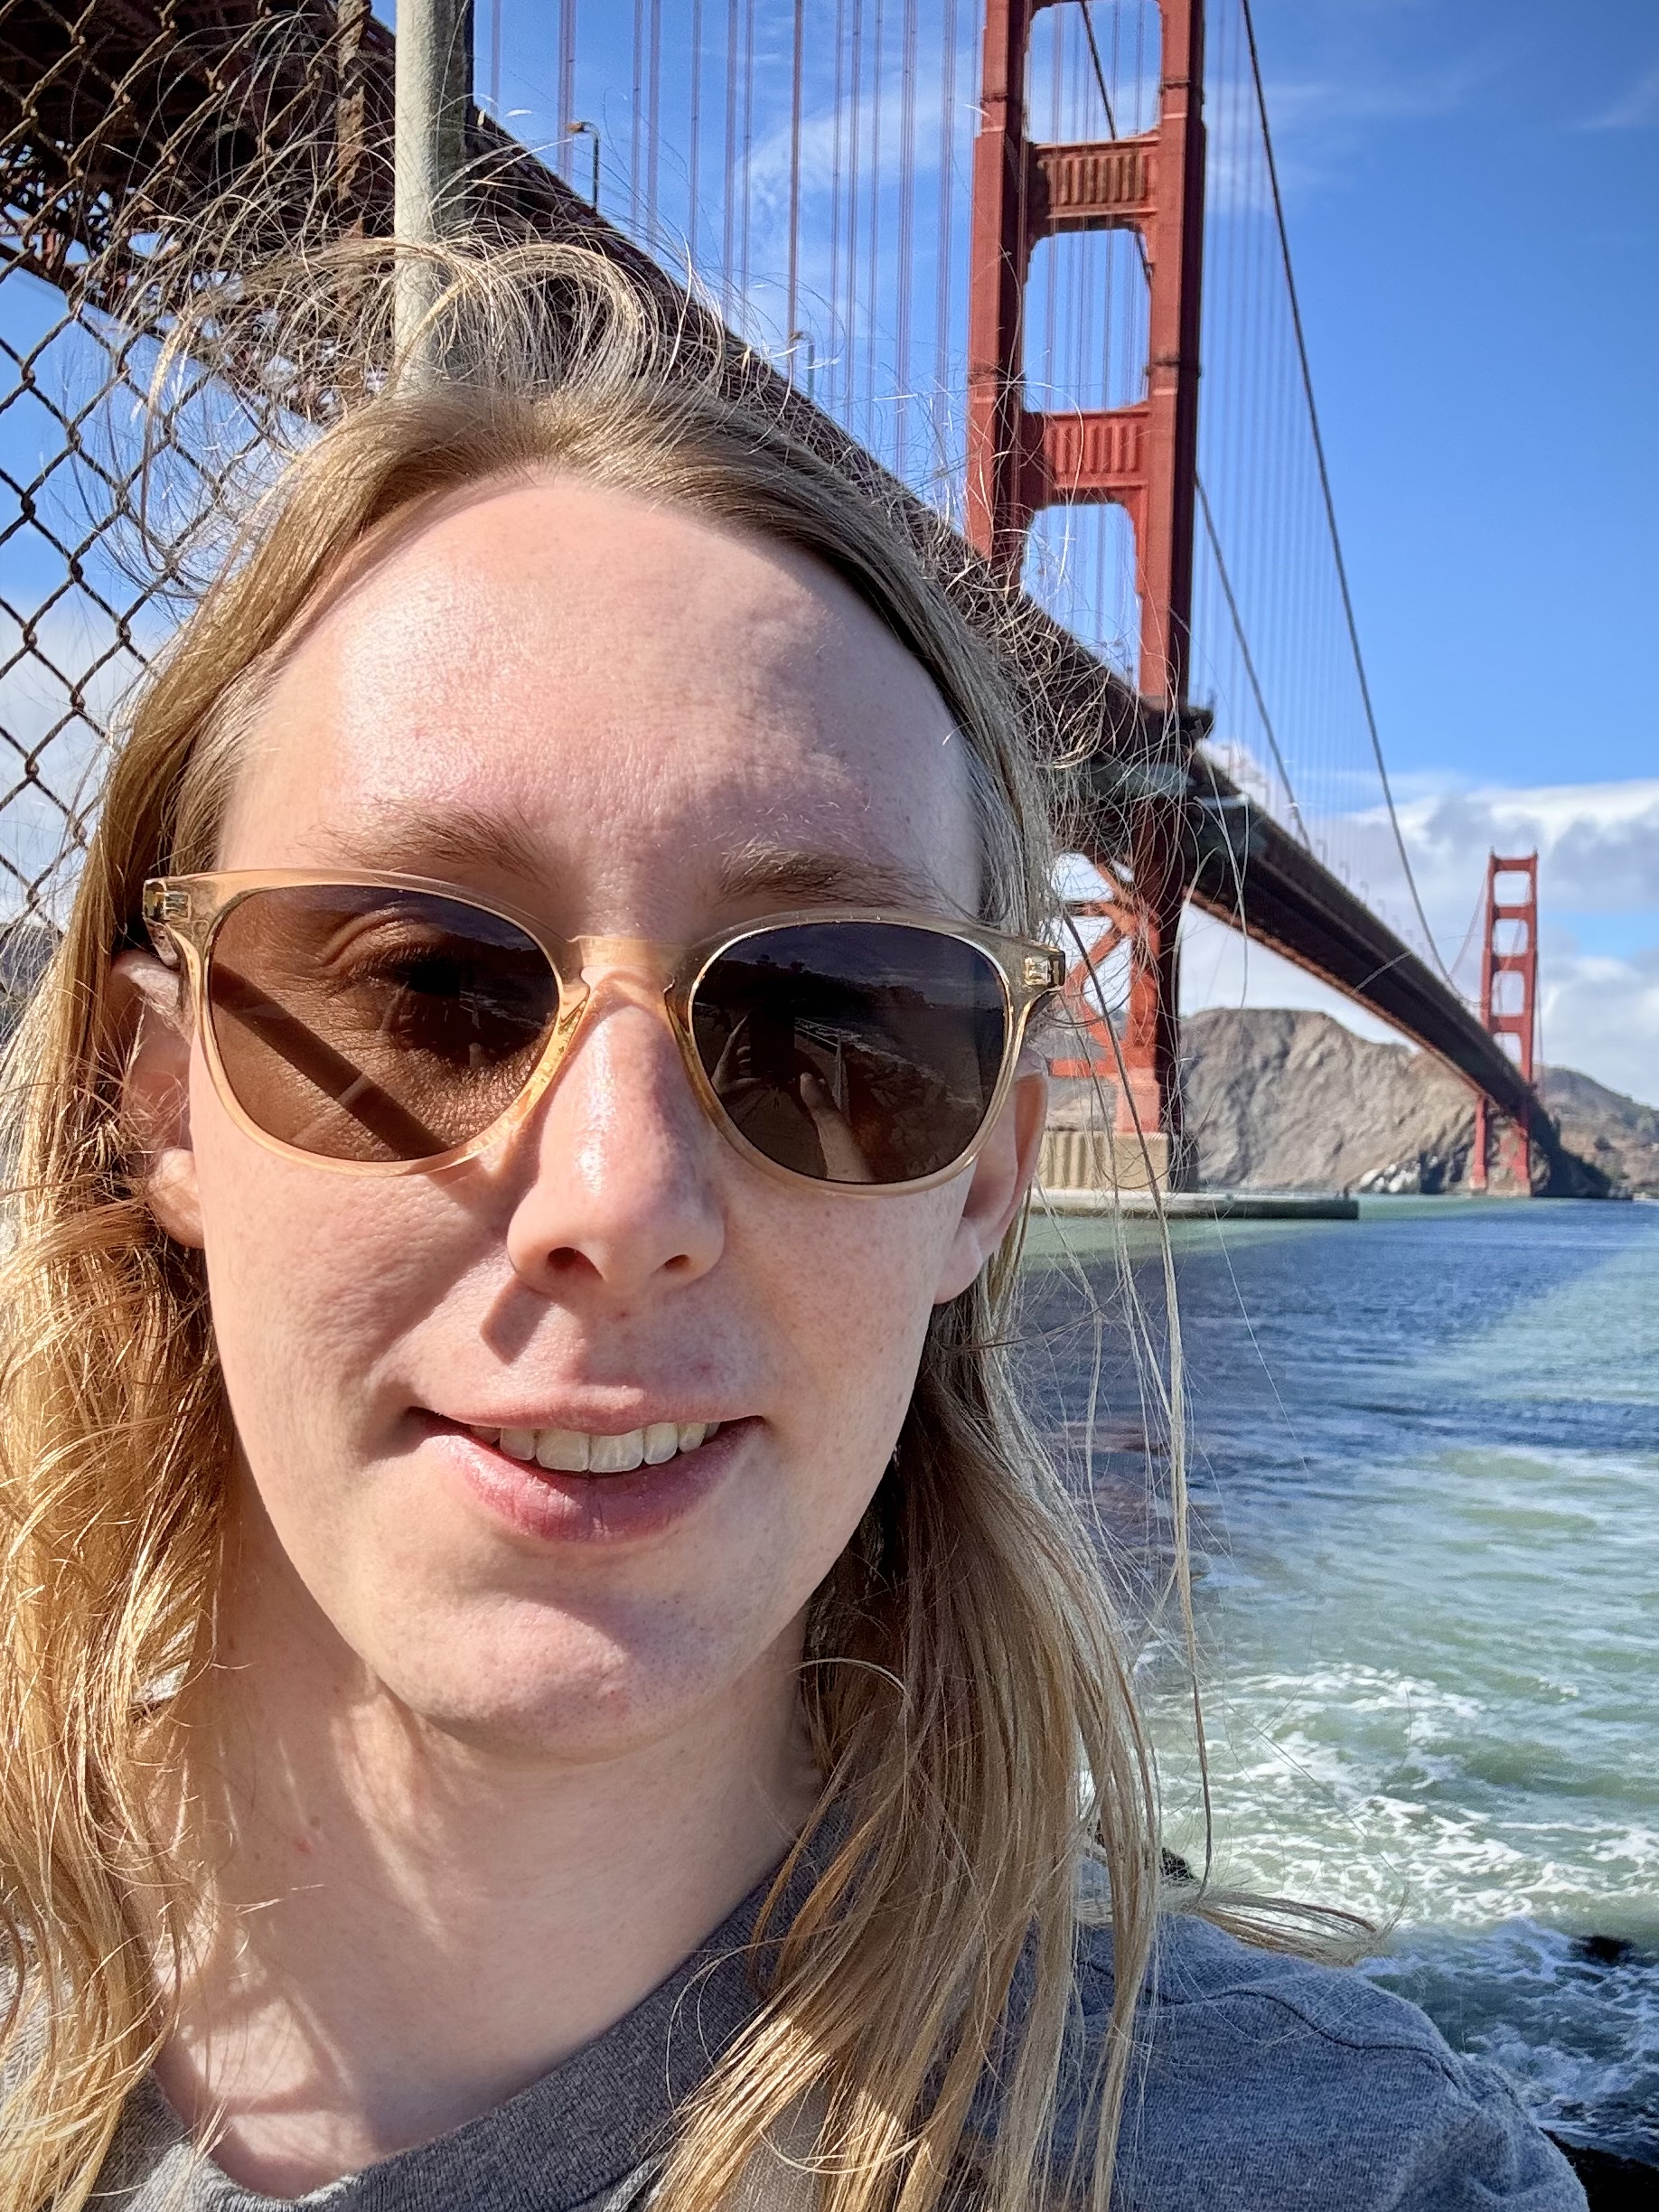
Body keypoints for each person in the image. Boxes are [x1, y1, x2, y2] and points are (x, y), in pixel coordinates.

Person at [0, 243, 1584, 2212]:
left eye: (832, 1023)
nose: (620, 1200)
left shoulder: (1344, 2172)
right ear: (165, 1103)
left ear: (988, 1179)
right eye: (426, 987)